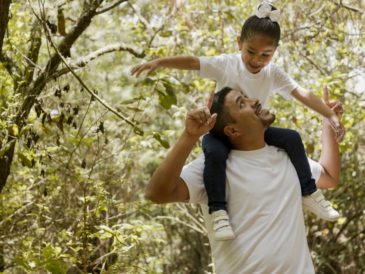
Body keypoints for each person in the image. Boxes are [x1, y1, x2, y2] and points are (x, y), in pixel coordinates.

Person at [133, 2, 345, 240]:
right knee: (214, 153)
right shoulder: (227, 64)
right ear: (239, 43)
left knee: (292, 138)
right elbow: (194, 62)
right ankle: (218, 210)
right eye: (251, 51)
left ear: (275, 51)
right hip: (222, 132)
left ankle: (309, 191)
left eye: (266, 54)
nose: (257, 60)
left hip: (255, 132)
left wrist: (329, 115)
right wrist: (160, 63)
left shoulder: (272, 73)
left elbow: (302, 94)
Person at [145, 87, 342, 274]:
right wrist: (189, 136)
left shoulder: (288, 155)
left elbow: (329, 177)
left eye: (246, 96)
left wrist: (328, 122)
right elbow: (157, 193)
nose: (254, 101)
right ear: (232, 131)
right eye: (242, 103)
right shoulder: (213, 168)